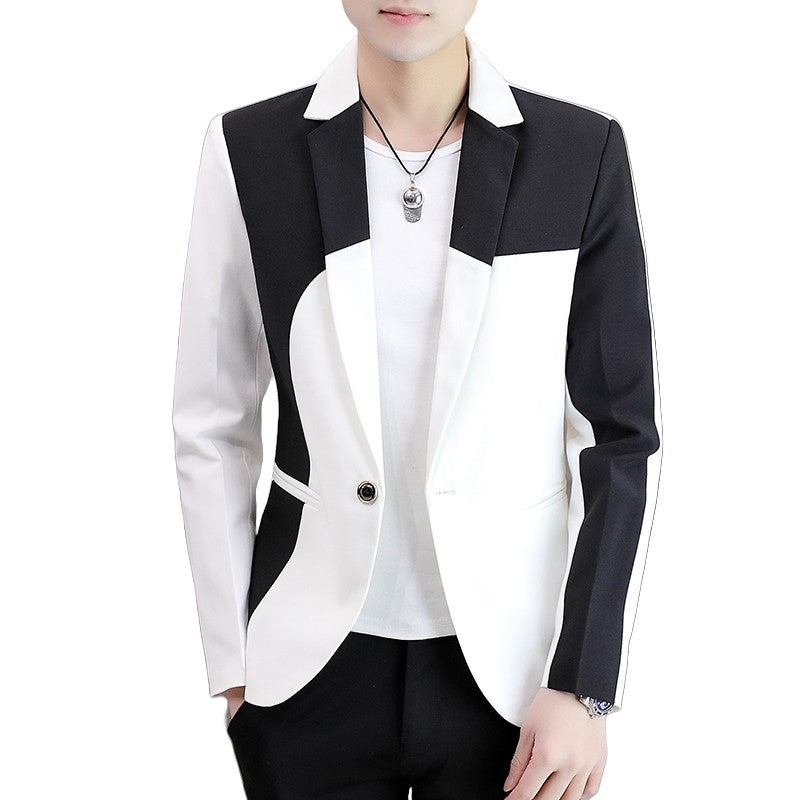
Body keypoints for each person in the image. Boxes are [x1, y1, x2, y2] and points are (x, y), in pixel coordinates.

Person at [171, 2, 663, 798]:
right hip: (303, 671)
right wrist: (233, 668)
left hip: (514, 677)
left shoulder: (579, 154)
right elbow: (213, 421)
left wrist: (584, 683)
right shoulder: (250, 150)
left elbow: (618, 439)